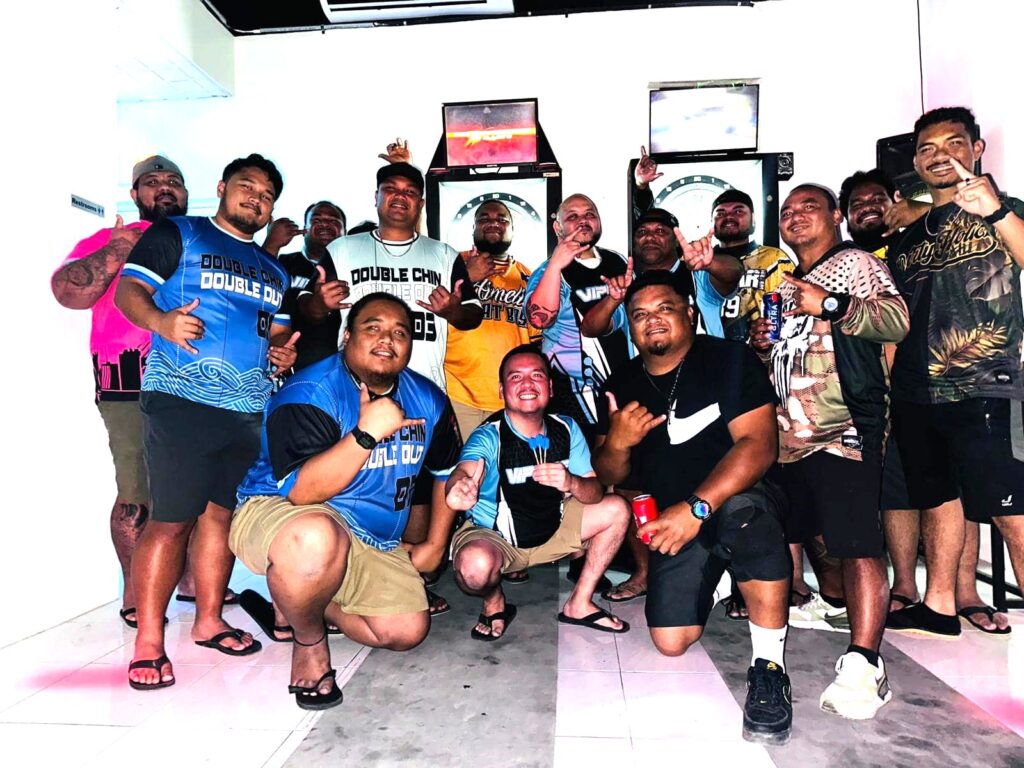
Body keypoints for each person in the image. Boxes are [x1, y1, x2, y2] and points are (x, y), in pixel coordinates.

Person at [115, 153, 299, 690]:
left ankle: (209, 621)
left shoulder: (274, 270)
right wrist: (161, 321)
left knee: (220, 517)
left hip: (245, 410)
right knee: (171, 520)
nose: (256, 199)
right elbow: (129, 291)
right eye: (247, 187)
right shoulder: (180, 233)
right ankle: (149, 643)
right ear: (221, 187)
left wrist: (282, 354)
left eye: (266, 196)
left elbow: (275, 332)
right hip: (182, 399)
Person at [231, 292, 462, 710]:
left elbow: (446, 471)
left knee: (405, 631)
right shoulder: (308, 392)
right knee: (315, 537)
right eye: (373, 328)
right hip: (281, 511)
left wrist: (435, 543)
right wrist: (366, 434)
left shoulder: (428, 399)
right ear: (347, 336)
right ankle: (309, 640)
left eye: (400, 333)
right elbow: (303, 492)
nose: (387, 339)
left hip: (367, 535)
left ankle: (304, 601)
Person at [594, 271, 793, 744]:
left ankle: (769, 668)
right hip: (675, 521)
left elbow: (760, 445)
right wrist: (618, 443)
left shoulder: (729, 359)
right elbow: (607, 474)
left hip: (732, 501)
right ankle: (727, 574)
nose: (652, 320)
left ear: (689, 312)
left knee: (745, 519)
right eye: (639, 314)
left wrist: (696, 509)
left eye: (664, 308)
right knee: (671, 640)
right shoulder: (622, 381)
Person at [751, 183, 909, 719]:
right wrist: (763, 343)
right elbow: (789, 351)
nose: (795, 215)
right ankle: (837, 604)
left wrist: (829, 303)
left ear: (836, 216)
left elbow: (896, 321)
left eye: (809, 207)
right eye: (788, 210)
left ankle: (866, 663)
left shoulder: (855, 262)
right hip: (788, 438)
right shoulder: (785, 281)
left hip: (843, 428)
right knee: (817, 535)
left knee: (858, 543)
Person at [306, 161, 482, 614]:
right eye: (391, 189)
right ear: (378, 197)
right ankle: (342, 583)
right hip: (356, 390)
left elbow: (473, 315)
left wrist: (452, 310)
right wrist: (319, 305)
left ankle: (409, 578)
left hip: (421, 392)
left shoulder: (444, 254)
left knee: (415, 488)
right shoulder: (344, 249)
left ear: (420, 202)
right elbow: (307, 306)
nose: (400, 197)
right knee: (354, 483)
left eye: (409, 191)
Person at [885, 106, 1024, 637]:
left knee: (1013, 508)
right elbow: (894, 319)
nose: (940, 155)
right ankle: (939, 606)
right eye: (928, 148)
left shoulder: (1003, 210)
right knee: (940, 501)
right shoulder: (907, 238)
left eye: (953, 143)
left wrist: (995, 210)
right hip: (917, 390)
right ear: (916, 163)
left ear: (976, 149)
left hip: (987, 382)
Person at [51, 155, 190, 629]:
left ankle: (193, 582)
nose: (164, 187)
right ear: (135, 194)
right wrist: (118, 249)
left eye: (173, 181)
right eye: (152, 182)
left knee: (195, 487)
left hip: (195, 380)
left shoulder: (198, 237)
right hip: (127, 382)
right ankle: (136, 594)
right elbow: (68, 293)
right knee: (136, 491)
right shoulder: (111, 237)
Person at [579, 206, 741, 604]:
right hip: (650, 392)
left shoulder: (696, 275)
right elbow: (592, 328)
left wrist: (710, 262)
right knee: (632, 479)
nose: (650, 237)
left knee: (731, 473)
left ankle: (741, 579)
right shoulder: (630, 290)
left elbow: (732, 274)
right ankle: (646, 571)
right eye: (642, 232)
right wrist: (614, 299)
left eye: (660, 231)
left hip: (710, 389)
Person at [445, 345, 630, 640]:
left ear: (550, 388)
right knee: (474, 569)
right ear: (502, 391)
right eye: (516, 377)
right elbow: (465, 469)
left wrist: (571, 483)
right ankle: (494, 601)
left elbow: (595, 492)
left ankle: (579, 603)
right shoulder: (489, 435)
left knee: (617, 508)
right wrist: (459, 486)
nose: (527, 383)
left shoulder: (566, 428)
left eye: (537, 375)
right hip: (497, 539)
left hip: (552, 527)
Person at [524, 194, 634, 446]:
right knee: (586, 464)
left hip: (623, 384)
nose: (583, 220)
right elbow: (539, 320)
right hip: (573, 394)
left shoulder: (617, 261)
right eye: (573, 216)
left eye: (590, 214)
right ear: (557, 227)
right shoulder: (547, 271)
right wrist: (555, 266)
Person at [444, 200, 540, 440]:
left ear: (512, 230)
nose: (493, 223)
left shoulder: (530, 277)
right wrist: (466, 275)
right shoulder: (450, 263)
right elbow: (428, 307)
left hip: (511, 394)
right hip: (457, 393)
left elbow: (537, 341)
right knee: (465, 463)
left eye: (502, 219)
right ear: (473, 228)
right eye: (484, 219)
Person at [263, 200, 348, 371]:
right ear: (304, 230)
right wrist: (271, 243)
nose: (325, 224)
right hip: (286, 363)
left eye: (333, 221)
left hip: (341, 365)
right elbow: (254, 288)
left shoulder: (352, 268)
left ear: (345, 232)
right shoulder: (281, 264)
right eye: (317, 220)